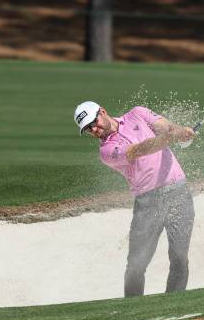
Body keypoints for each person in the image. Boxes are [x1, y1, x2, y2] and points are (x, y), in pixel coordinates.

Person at [73, 101, 196, 297]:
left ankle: (173, 305)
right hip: (147, 203)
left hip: (178, 192)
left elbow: (166, 127)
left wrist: (180, 131)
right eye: (88, 129)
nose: (94, 129)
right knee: (136, 265)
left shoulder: (137, 113)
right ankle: (133, 310)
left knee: (180, 257)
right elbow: (138, 150)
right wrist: (173, 137)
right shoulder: (106, 151)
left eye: (93, 122)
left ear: (103, 111)